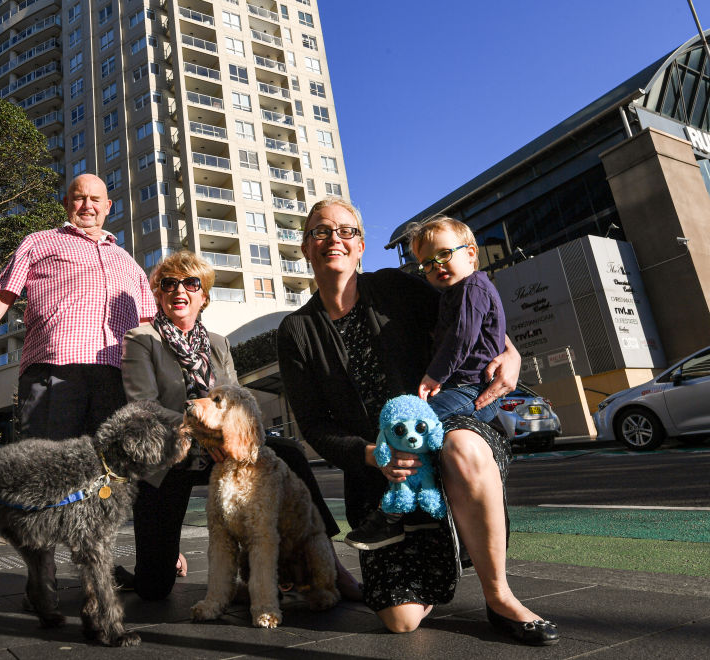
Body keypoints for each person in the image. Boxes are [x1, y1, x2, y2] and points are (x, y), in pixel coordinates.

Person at [277, 198, 559, 646]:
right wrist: (371, 455)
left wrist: (511, 351)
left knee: (461, 448)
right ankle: (446, 546)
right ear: (306, 248)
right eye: (320, 232)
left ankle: (499, 595)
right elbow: (312, 424)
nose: (334, 239)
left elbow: (467, 308)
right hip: (382, 478)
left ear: (361, 246)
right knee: (400, 621)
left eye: (346, 231)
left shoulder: (394, 287)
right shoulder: (296, 330)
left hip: (451, 431)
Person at [0, 173, 157, 615]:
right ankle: (40, 584)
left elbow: (152, 327)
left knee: (104, 487)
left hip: (112, 381)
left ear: (108, 206)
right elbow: (0, 295)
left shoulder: (128, 263)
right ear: (66, 203)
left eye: (95, 199)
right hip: (52, 372)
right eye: (79, 198)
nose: (87, 205)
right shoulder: (39, 242)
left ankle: (93, 591)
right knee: (40, 481)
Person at [115, 250, 362, 602]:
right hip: (169, 457)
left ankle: (330, 565)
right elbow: (145, 407)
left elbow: (236, 400)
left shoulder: (217, 343)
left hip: (225, 450)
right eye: (168, 284)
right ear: (158, 294)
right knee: (154, 589)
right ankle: (143, 569)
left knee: (288, 453)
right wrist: (205, 432)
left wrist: (231, 435)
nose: (178, 290)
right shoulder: (141, 338)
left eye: (190, 283)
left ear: (204, 295)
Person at [343, 215, 506, 551]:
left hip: (471, 389)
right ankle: (420, 505)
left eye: (444, 255)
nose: (436, 267)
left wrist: (435, 375)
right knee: (417, 434)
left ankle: (392, 516)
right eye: (427, 264)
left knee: (414, 426)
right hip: (463, 388)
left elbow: (461, 339)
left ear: (472, 253)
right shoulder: (453, 293)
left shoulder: (472, 288)